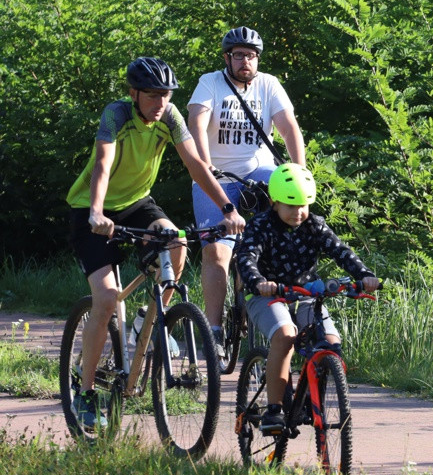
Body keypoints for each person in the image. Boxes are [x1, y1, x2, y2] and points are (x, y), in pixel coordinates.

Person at [67, 57, 245, 430]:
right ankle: (84, 392)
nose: (160, 102)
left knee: (177, 242)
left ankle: (145, 323)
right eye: (152, 95)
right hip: (91, 209)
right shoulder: (116, 115)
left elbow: (195, 163)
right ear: (134, 93)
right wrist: (97, 213)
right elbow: (103, 162)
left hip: (137, 204)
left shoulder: (170, 117)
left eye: (165, 95)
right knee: (105, 297)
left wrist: (227, 208)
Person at [187, 26, 306, 362]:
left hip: (259, 172)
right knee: (216, 252)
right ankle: (213, 330)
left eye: (250, 55)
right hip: (217, 177)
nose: (245, 61)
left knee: (283, 225)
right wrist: (206, 167)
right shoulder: (209, 83)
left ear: (257, 59)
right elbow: (197, 122)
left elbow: (288, 127)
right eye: (238, 55)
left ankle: (262, 305)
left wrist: (298, 172)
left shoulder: (269, 84)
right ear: (227, 58)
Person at [234, 163, 380, 434]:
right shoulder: (261, 225)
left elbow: (341, 252)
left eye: (304, 205)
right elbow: (247, 258)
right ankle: (275, 409)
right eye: (291, 205)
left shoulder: (315, 225)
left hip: (304, 295)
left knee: (331, 341)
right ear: (274, 202)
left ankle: (312, 400)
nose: (298, 212)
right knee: (286, 335)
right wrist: (259, 282)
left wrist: (365, 276)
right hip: (268, 295)